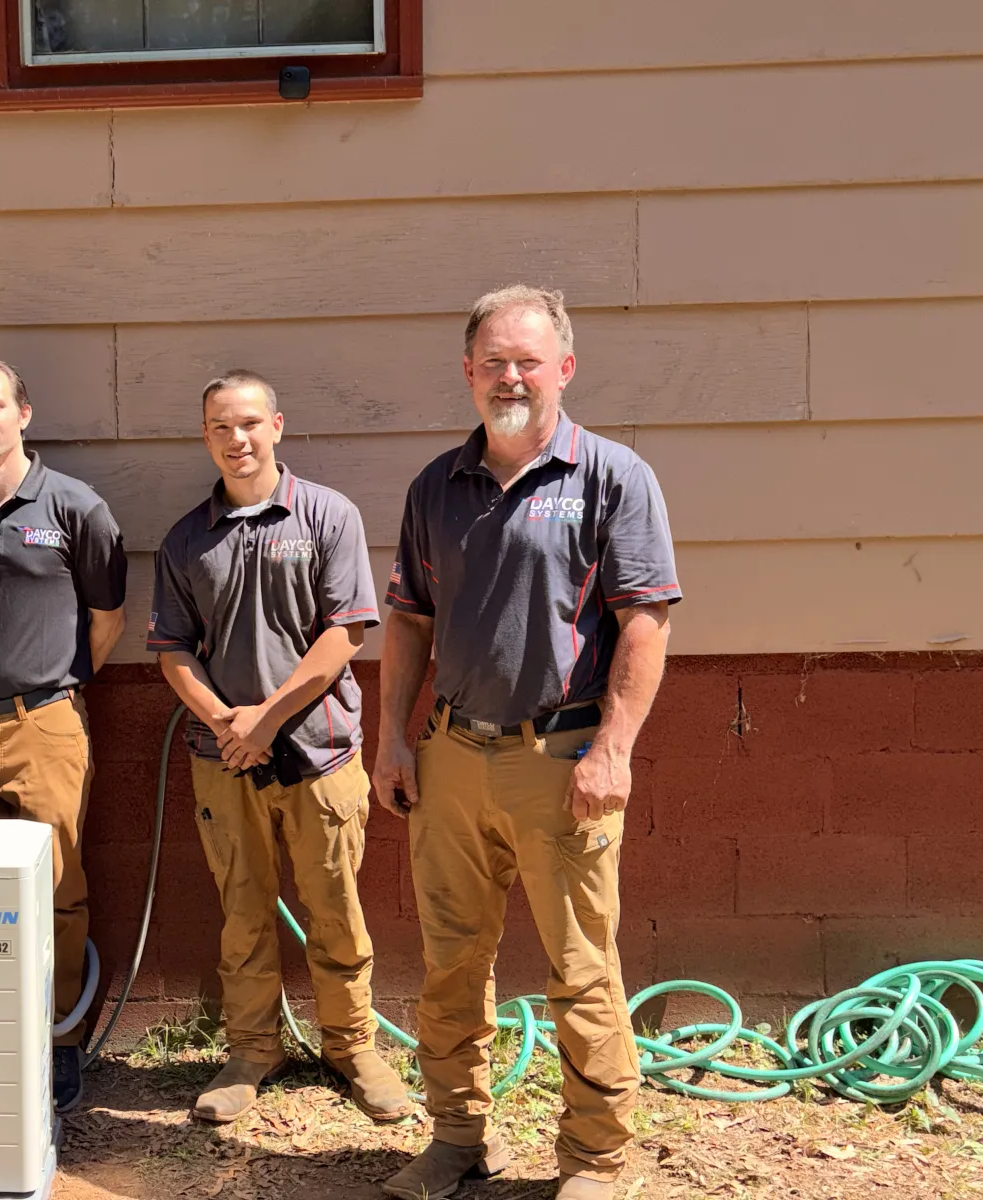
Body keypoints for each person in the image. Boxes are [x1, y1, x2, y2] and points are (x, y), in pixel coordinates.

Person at [372, 286, 679, 1200]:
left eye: (528, 360)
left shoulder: (613, 477)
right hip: (453, 759)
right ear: (469, 373)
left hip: (563, 762)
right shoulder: (436, 486)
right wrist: (392, 736)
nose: (511, 376)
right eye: (493, 361)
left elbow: (647, 622)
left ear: (565, 369)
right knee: (451, 961)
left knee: (582, 970)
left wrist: (614, 749)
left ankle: (593, 1160)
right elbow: (407, 618)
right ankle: (458, 1137)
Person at [149, 370, 411, 1126]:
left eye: (250, 424)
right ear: (206, 436)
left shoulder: (327, 516)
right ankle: (251, 1051)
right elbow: (172, 650)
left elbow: (344, 635)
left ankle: (353, 1047)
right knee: (242, 911)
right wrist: (228, 723)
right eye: (221, 427)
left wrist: (267, 717)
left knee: (335, 908)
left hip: (320, 755)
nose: (237, 439)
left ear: (278, 426)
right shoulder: (186, 539)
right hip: (223, 760)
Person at [0, 358, 127, 1114]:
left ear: (23, 413)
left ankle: (60, 1042)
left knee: (57, 889)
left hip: (47, 724)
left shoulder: (76, 507)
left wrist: (49, 693)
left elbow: (107, 621)